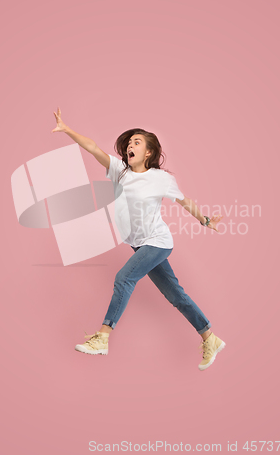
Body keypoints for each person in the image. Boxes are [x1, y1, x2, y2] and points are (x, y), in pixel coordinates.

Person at [52, 107, 226, 371]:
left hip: (158, 241)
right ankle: (209, 337)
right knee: (175, 295)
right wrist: (67, 130)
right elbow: (93, 147)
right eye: (129, 142)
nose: (130, 145)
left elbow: (184, 201)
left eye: (137, 142)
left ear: (149, 152)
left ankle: (103, 337)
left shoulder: (160, 179)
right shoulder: (119, 169)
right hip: (139, 244)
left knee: (124, 278)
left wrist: (205, 220)